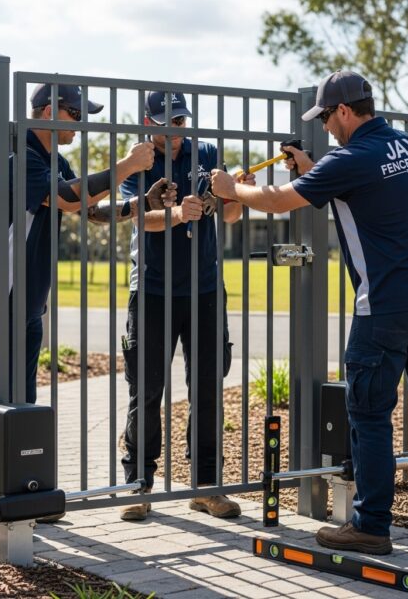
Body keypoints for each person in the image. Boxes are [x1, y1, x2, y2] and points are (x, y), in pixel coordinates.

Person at [211, 70, 408, 555]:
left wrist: (232, 190)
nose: (326, 126)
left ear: (346, 111)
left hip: (385, 308)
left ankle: (371, 526)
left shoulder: (352, 158)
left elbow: (280, 201)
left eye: (328, 117)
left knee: (369, 413)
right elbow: (360, 186)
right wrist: (312, 167)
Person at [0, 83, 174, 508]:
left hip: (25, 298)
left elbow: (86, 209)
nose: (82, 124)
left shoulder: (50, 158)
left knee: (21, 397)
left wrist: (137, 205)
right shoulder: (17, 156)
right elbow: (62, 198)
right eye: (77, 114)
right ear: (48, 112)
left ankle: (16, 491)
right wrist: (126, 167)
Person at [118, 90, 253, 521]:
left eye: (181, 121)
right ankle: (138, 485)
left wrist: (234, 195)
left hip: (205, 288)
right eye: (168, 123)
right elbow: (136, 217)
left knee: (208, 387)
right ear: (148, 122)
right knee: (147, 390)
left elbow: (230, 216)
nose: (176, 130)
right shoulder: (138, 160)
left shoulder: (208, 151)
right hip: (153, 289)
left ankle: (207, 487)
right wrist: (177, 214)